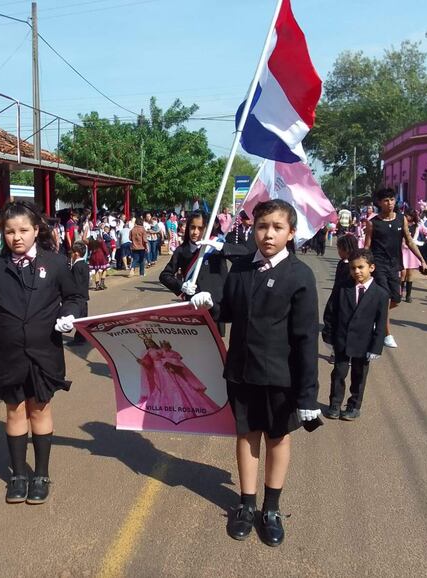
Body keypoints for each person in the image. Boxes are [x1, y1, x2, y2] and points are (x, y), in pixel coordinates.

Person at [194, 199, 321, 546]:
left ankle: (272, 508)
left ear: (291, 233)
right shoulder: (242, 270)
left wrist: (308, 395)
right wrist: (208, 303)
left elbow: (307, 338)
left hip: (281, 376)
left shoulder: (299, 276)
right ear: (253, 229)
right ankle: (246, 504)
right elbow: (229, 310)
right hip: (242, 372)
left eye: (277, 227)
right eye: (262, 226)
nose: (268, 234)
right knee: (247, 435)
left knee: (277, 438)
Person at [0, 201, 85, 505]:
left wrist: (70, 315)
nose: (16, 237)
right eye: (9, 231)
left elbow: (74, 297)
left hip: (44, 352)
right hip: (6, 354)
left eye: (23, 230)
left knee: (40, 410)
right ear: (1, 233)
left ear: (36, 230)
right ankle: (19, 474)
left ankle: (42, 474)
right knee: (14, 411)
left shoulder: (57, 263)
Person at [321, 248, 388, 421]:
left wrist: (376, 347)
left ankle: (353, 406)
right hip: (342, 340)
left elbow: (381, 324)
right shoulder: (342, 288)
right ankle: (334, 404)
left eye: (361, 267)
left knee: (359, 376)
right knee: (338, 373)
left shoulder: (380, 294)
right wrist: (328, 336)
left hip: (363, 343)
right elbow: (330, 312)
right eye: (352, 268)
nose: (356, 271)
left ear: (371, 267)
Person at [364, 188, 427, 348]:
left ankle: (374, 315)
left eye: (392, 199)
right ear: (379, 203)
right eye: (386, 200)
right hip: (378, 265)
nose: (390, 203)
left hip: (395, 265)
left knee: (396, 299)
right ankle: (385, 334)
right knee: (385, 298)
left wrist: (422, 260)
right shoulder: (373, 222)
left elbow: (409, 241)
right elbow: (367, 246)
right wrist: (364, 266)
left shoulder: (401, 219)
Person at [159, 210, 227, 333]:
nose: (195, 232)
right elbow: (164, 276)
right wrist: (182, 287)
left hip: (215, 306)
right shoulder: (181, 250)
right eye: (192, 227)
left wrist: (221, 247)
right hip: (193, 305)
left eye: (200, 228)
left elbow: (244, 252)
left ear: (207, 228)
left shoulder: (216, 247)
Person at [401, 209, 427, 303]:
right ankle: (400, 292)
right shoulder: (401, 224)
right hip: (401, 250)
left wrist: (423, 242)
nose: (407, 217)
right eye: (406, 215)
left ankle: (408, 295)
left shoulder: (418, 226)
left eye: (409, 215)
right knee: (402, 273)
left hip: (412, 251)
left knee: (410, 273)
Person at [69, 241, 89, 345]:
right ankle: (81, 337)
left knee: (79, 319)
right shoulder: (85, 265)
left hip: (78, 296)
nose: (70, 255)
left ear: (76, 253)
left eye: (71, 253)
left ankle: (80, 339)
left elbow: (75, 282)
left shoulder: (76, 267)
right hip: (84, 295)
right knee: (83, 317)